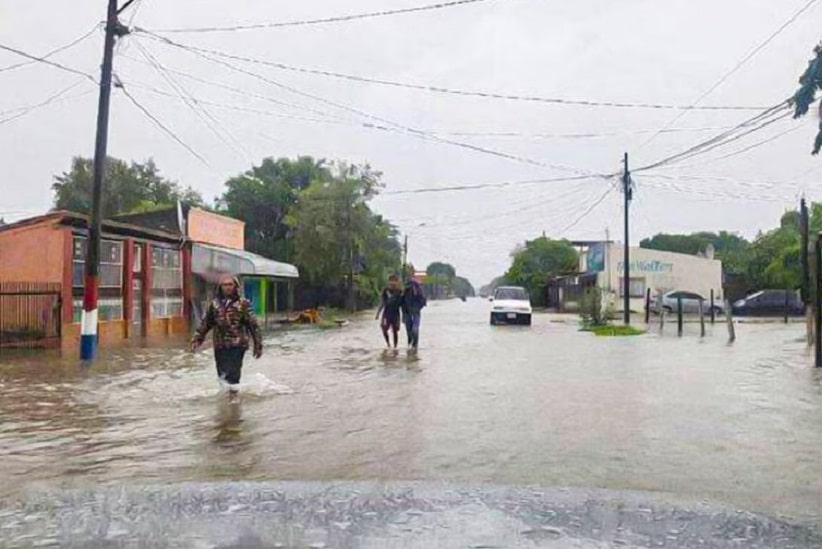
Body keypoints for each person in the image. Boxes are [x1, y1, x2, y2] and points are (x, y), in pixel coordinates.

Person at [190, 275, 263, 399]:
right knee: (222, 374)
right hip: (220, 345)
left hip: (238, 344)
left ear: (235, 286)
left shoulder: (243, 304)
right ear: (220, 287)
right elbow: (205, 323)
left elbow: (253, 325)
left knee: (233, 373)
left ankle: (233, 400)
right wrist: (197, 339)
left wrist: (258, 345)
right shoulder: (214, 304)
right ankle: (226, 398)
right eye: (225, 285)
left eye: (230, 284)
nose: (228, 287)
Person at [376, 274, 403, 349]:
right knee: (383, 328)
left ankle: (395, 347)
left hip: (396, 314)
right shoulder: (385, 291)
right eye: (391, 281)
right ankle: (388, 344)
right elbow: (382, 302)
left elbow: (403, 304)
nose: (393, 283)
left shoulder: (399, 292)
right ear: (389, 282)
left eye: (395, 281)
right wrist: (378, 313)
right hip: (386, 314)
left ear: (397, 282)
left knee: (395, 331)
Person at [402, 273, 427, 351]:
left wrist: (417, 308)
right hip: (406, 313)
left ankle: (415, 346)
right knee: (409, 331)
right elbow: (401, 302)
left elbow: (423, 301)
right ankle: (411, 346)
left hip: (415, 313)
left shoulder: (419, 291)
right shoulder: (405, 291)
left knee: (415, 330)